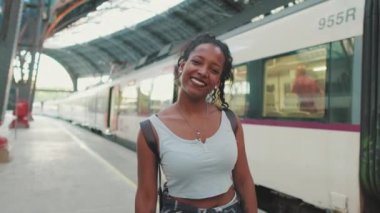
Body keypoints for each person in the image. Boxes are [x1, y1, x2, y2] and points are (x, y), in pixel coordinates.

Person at [135, 33, 258, 212]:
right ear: (182, 66)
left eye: (214, 70)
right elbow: (146, 196)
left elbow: (244, 179)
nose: (203, 72)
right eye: (197, 62)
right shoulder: (151, 130)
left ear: (218, 81)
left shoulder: (230, 121)